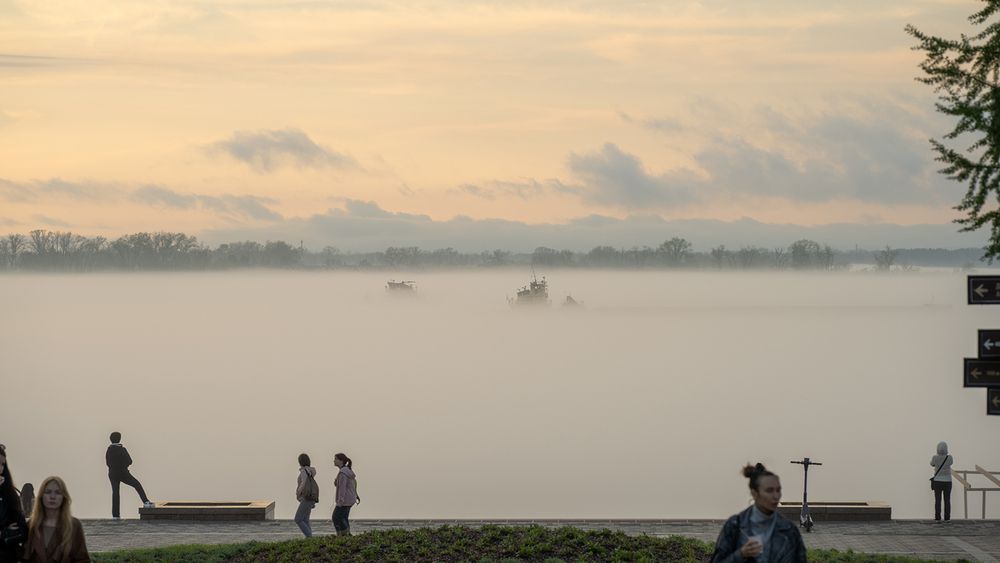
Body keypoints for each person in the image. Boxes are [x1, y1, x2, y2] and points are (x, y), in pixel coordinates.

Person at [710, 463, 807, 563]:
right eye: (769, 491)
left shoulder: (789, 530)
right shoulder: (735, 526)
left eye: (778, 490)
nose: (776, 496)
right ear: (754, 493)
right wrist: (741, 554)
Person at [22, 476, 90, 563]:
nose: (52, 496)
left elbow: (82, 560)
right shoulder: (31, 525)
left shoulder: (74, 525)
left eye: (58, 493)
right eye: (48, 492)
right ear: (41, 496)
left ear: (64, 497)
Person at [105, 431, 153, 519]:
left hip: (112, 473)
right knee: (136, 484)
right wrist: (124, 466)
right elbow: (130, 461)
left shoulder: (109, 450)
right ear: (119, 439)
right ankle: (146, 502)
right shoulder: (122, 449)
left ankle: (115, 515)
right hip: (123, 473)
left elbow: (107, 463)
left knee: (115, 493)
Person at [0, 444, 28, 563]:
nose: (0, 468)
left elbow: (22, 530)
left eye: (2, 464)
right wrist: (3, 533)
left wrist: (6, 534)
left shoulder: (11, 495)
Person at [332, 453, 360, 536]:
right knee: (343, 518)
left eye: (336, 459)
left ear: (341, 461)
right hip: (350, 499)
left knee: (336, 517)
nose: (334, 460)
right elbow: (352, 484)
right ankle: (346, 535)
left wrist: (340, 502)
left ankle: (343, 535)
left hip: (345, 500)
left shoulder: (343, 473)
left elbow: (342, 488)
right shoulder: (347, 471)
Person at [294, 453, 318, 538]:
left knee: (298, 519)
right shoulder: (310, 472)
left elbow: (303, 483)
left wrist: (298, 493)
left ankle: (309, 537)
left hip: (306, 497)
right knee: (305, 519)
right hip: (310, 497)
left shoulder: (304, 471)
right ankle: (309, 538)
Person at [930, 441, 954, 522]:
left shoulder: (935, 457)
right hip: (948, 481)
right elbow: (951, 463)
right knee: (947, 500)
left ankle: (937, 517)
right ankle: (947, 518)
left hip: (937, 481)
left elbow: (932, 464)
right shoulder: (949, 457)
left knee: (938, 500)